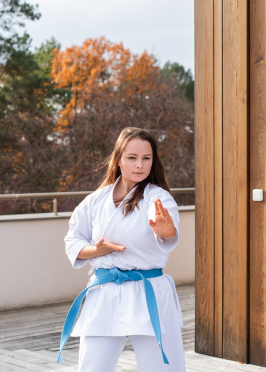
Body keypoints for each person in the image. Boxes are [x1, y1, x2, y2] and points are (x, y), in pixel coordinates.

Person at [58, 127, 186, 371]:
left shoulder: (157, 198)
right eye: (132, 157)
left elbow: (169, 232)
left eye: (146, 158)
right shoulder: (96, 200)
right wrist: (97, 251)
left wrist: (165, 229)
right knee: (93, 367)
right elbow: (73, 239)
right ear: (118, 160)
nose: (140, 165)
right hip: (105, 291)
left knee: (160, 367)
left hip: (148, 290)